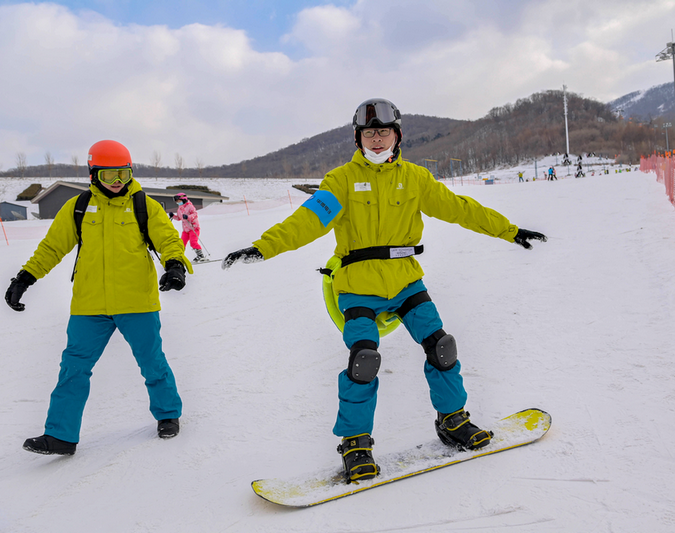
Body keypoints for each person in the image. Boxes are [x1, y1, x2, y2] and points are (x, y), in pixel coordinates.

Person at [221, 98, 547, 482]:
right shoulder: (340, 181)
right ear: (358, 139)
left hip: (405, 281)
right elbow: (307, 221)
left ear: (397, 135)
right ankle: (355, 443)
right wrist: (262, 248)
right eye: (369, 133)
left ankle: (453, 420)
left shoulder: (416, 178)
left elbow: (462, 209)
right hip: (358, 286)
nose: (376, 139)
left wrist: (509, 230)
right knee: (363, 360)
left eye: (383, 132)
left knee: (441, 347)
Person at [5, 140, 193, 455]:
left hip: (137, 301)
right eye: (109, 175)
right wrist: (25, 278)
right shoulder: (77, 207)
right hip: (89, 304)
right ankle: (60, 435)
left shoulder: (144, 205)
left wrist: (175, 266)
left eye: (123, 173)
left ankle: (168, 414)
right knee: (73, 368)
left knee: (151, 361)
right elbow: (52, 248)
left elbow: (168, 239)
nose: (117, 181)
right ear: (93, 174)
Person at [169, 192, 205, 262]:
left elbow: (195, 214)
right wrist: (173, 216)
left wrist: (188, 217)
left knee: (193, 242)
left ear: (183, 199)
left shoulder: (190, 206)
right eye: (177, 202)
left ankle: (200, 256)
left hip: (193, 228)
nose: (178, 203)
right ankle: (179, 256)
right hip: (185, 230)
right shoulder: (180, 209)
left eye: (179, 201)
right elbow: (179, 218)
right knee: (181, 243)